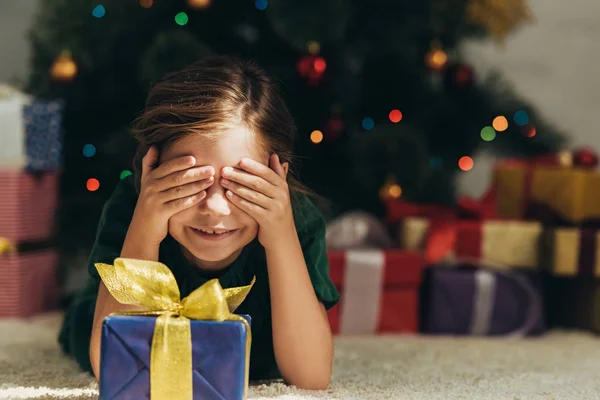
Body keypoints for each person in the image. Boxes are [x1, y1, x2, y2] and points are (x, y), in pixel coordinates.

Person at [58, 55, 340, 390]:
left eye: (241, 185)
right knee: (82, 319)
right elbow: (115, 371)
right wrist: (145, 228)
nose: (216, 208)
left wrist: (280, 237)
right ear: (151, 168)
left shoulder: (297, 219)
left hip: (262, 353)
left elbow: (311, 378)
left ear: (278, 175)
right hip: (92, 320)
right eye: (190, 183)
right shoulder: (131, 208)